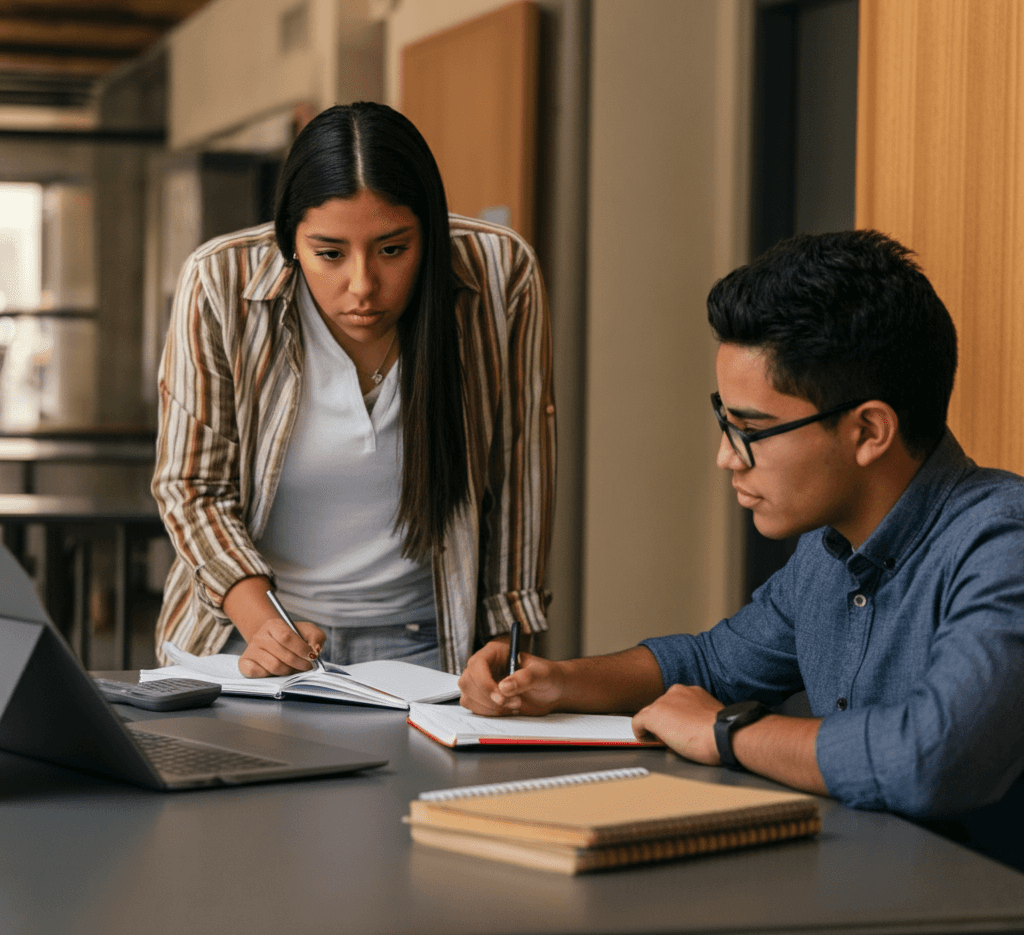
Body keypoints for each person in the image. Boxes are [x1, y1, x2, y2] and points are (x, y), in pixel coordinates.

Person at [459, 229, 1024, 867]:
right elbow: (711, 665)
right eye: (725, 423)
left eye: (750, 429)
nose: (727, 456)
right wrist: (558, 682)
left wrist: (728, 731)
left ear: (869, 430)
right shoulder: (828, 549)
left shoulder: (1004, 542)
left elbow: (930, 757)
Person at [152, 102, 554, 678]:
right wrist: (266, 628)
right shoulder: (220, 282)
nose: (362, 286)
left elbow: (519, 475)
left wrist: (509, 644)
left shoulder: (499, 273)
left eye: (393, 250)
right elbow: (190, 485)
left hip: (428, 642)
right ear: (291, 241)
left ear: (430, 234)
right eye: (330, 254)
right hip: (250, 635)